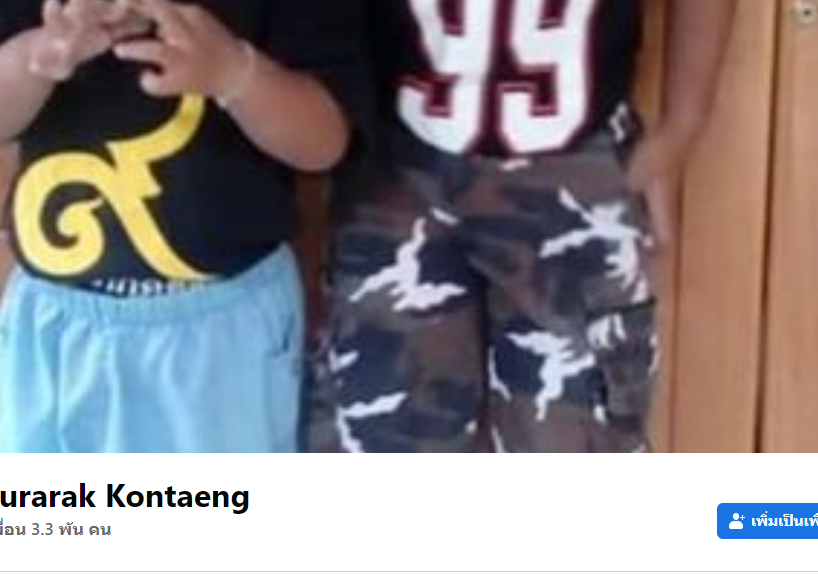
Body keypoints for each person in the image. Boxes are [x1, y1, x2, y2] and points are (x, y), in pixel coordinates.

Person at [0, 0, 363, 452]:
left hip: (224, 333)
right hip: (55, 326)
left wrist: (235, 74)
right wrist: (36, 56)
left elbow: (324, 143)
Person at [308, 0, 735, 452]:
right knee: (380, 430)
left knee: (571, 440)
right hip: (399, 164)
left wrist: (683, 122)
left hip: (574, 159)